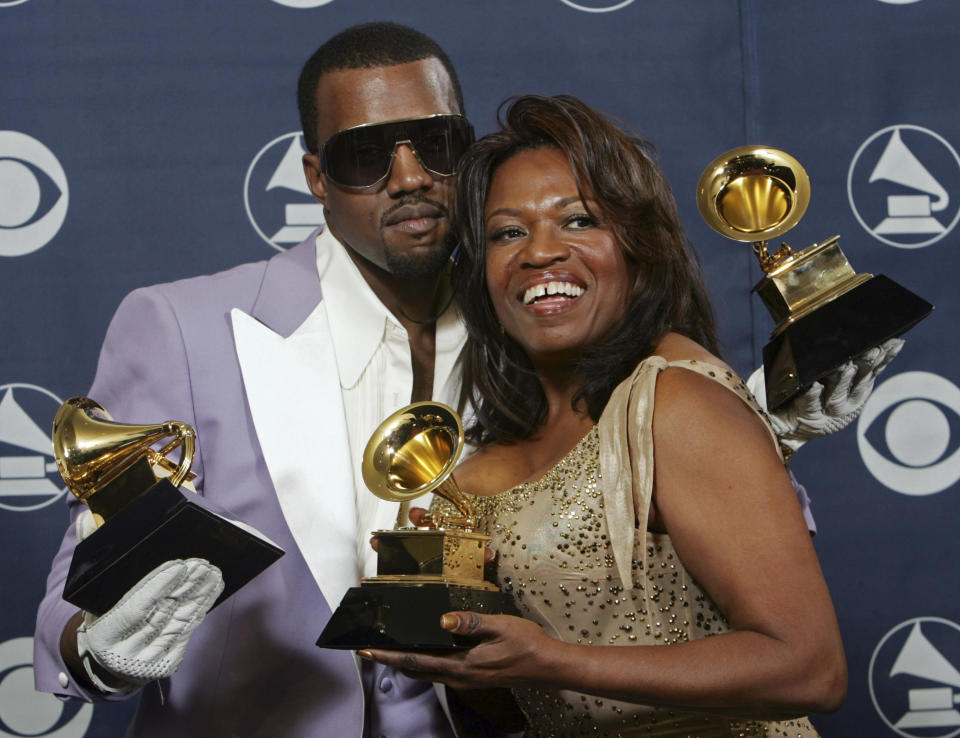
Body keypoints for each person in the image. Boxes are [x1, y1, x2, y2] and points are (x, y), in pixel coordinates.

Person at [34, 22, 478, 738]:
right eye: (364, 154)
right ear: (315, 178)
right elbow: (76, 595)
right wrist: (100, 652)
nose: (410, 177)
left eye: (436, 144)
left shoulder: (524, 330)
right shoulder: (184, 326)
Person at [360, 95, 850, 737]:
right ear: (480, 273)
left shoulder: (673, 400)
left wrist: (557, 660)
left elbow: (810, 669)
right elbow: (505, 705)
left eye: (579, 221)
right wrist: (457, 623)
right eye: (509, 232)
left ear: (637, 247)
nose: (540, 253)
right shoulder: (479, 466)